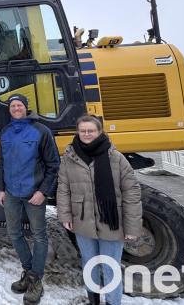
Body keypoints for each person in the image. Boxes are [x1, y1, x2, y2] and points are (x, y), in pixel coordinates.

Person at [57, 115, 142, 305]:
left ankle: (113, 302)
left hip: (112, 222)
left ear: (100, 132)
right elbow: (63, 188)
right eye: (83, 130)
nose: (87, 134)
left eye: (91, 130)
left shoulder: (116, 158)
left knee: (111, 267)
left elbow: (132, 192)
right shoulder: (69, 158)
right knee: (89, 264)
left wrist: (132, 227)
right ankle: (93, 301)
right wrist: (65, 215)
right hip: (82, 221)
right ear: (78, 132)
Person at [0, 94, 60, 305]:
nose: (16, 108)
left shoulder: (41, 131)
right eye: (13, 106)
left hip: (34, 194)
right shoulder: (5, 132)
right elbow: (2, 164)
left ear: (26, 107)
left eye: (19, 105)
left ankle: (36, 280)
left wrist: (43, 192)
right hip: (12, 194)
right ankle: (28, 272)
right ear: (9, 110)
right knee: (14, 234)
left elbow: (53, 165)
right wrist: (2, 189)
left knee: (39, 236)